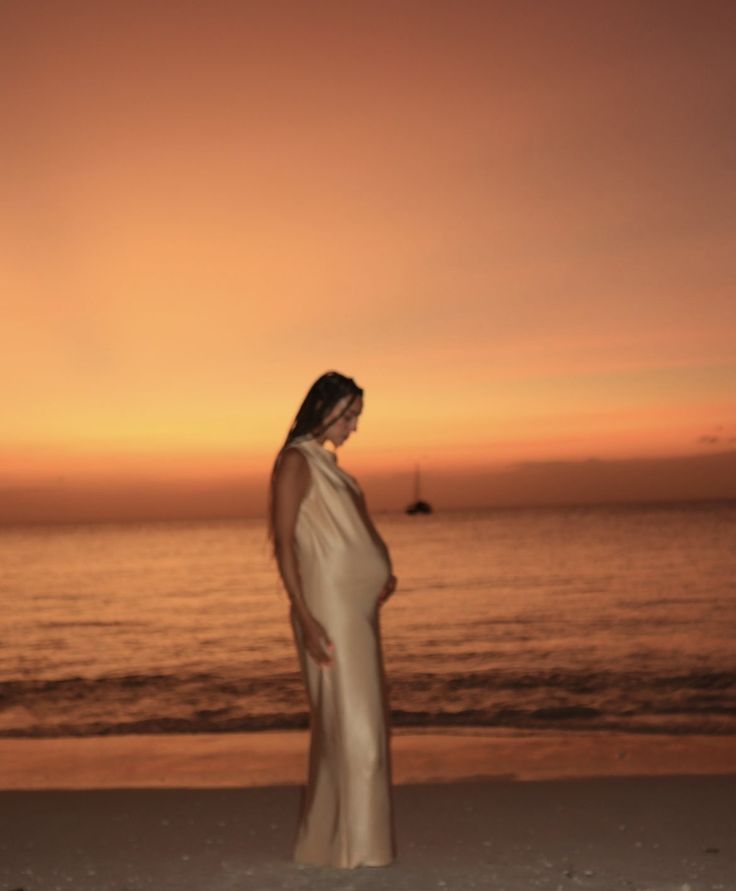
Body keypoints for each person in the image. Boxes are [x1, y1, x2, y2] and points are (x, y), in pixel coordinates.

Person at [270, 371, 397, 869]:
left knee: (357, 724)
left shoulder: (328, 464)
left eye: (357, 417)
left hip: (355, 609)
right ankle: (358, 851)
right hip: (328, 609)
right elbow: (284, 544)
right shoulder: (296, 462)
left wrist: (381, 571)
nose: (354, 426)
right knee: (356, 729)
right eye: (348, 416)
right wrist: (304, 616)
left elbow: (351, 531)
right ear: (322, 409)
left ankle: (330, 843)